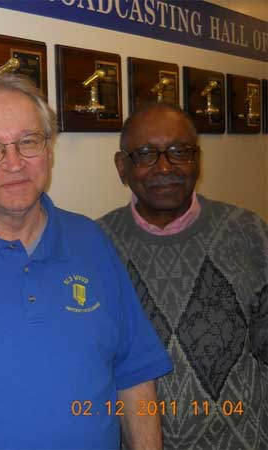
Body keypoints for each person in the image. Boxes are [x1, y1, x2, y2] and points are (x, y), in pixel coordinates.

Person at [0, 74, 172, 449]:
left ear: (48, 151)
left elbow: (134, 373)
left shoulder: (92, 240)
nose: (15, 163)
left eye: (28, 142)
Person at [98, 103, 268, 450]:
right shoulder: (94, 245)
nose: (165, 167)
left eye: (179, 151)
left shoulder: (250, 233)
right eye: (145, 154)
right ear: (122, 167)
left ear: (197, 161)